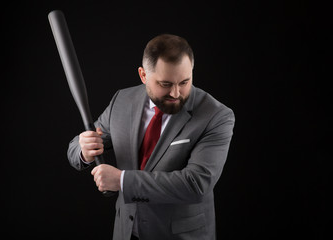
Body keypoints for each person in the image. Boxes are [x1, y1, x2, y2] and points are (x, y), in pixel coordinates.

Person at [67, 34, 235, 240]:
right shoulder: (122, 101)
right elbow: (76, 148)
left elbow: (195, 184)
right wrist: (84, 150)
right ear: (143, 75)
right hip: (126, 232)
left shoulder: (216, 116)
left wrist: (122, 181)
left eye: (184, 81)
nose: (176, 93)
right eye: (165, 84)